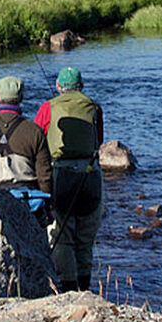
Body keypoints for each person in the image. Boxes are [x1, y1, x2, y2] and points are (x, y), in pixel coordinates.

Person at [34, 67, 104, 293]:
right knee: (85, 238)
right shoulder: (94, 107)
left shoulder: (48, 107)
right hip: (90, 175)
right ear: (81, 86)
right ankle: (86, 289)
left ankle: (69, 289)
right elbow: (98, 141)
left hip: (61, 176)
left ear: (58, 86)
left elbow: (36, 140)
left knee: (62, 236)